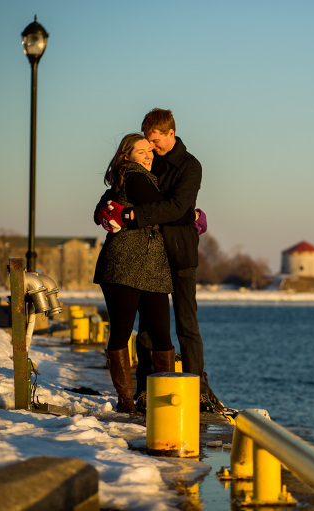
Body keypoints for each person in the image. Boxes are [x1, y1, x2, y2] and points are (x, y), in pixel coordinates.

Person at [95, 108, 223, 412]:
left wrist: (131, 215)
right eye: (147, 143)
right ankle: (145, 389)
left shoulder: (189, 167)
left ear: (170, 134)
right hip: (150, 256)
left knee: (186, 324)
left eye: (154, 141)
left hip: (178, 253)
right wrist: (105, 209)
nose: (152, 148)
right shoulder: (144, 163)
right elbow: (118, 188)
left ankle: (197, 389)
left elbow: (178, 207)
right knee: (150, 329)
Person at [93, 133, 178, 414]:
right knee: (151, 334)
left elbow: (103, 207)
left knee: (139, 333)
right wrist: (191, 214)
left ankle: (132, 401)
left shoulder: (126, 178)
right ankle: (138, 401)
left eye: (149, 151)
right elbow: (167, 208)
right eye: (140, 151)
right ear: (126, 156)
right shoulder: (135, 177)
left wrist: (103, 212)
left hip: (146, 265)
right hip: (126, 265)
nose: (148, 155)